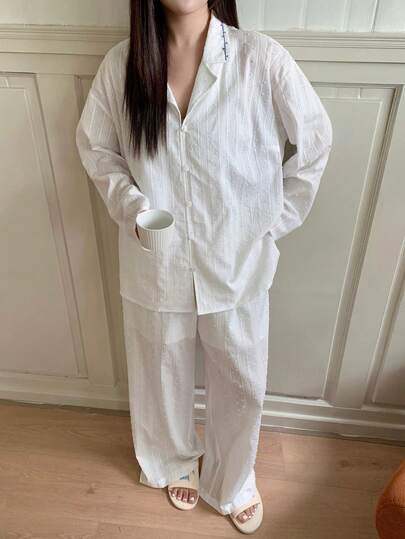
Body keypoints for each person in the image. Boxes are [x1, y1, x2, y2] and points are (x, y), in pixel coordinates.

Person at [75, 0, 333, 533]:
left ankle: (233, 478)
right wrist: (133, 209)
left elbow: (315, 143)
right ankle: (171, 459)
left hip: (237, 260)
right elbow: (97, 148)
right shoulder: (123, 66)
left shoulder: (260, 59)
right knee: (159, 366)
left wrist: (271, 222)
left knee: (241, 376)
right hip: (157, 256)